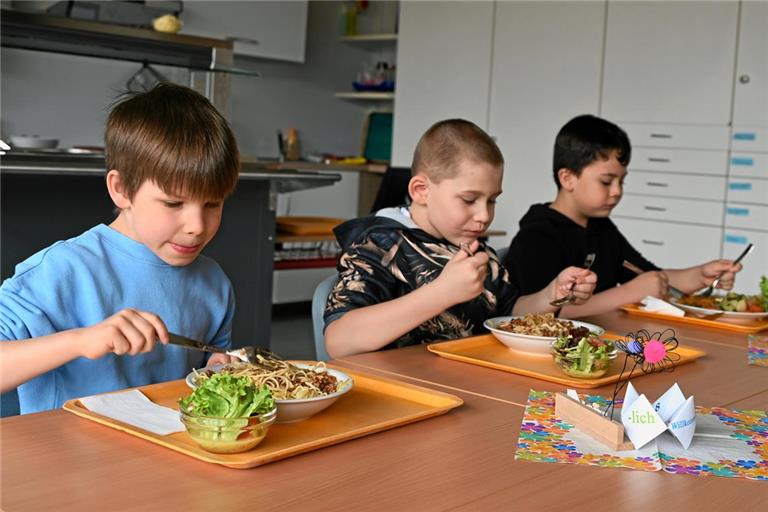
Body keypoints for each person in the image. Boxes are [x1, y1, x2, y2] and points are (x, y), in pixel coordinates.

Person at [0, 83, 240, 413]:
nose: (197, 226)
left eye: (213, 204)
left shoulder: (214, 283)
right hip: (72, 459)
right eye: (173, 203)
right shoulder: (61, 270)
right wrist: (80, 340)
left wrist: (217, 369)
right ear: (121, 189)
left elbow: (211, 365)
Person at [323, 119, 597, 358]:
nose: (483, 215)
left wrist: (552, 294)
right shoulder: (377, 244)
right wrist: (441, 293)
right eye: (469, 199)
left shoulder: (476, 250)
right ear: (421, 190)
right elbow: (339, 341)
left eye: (492, 201)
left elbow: (508, 313)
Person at [503, 114, 742, 318]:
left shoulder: (601, 227)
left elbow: (649, 276)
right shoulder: (537, 236)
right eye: (606, 181)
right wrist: (628, 293)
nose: (617, 191)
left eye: (621, 181)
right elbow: (544, 312)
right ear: (567, 178)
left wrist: (700, 275)